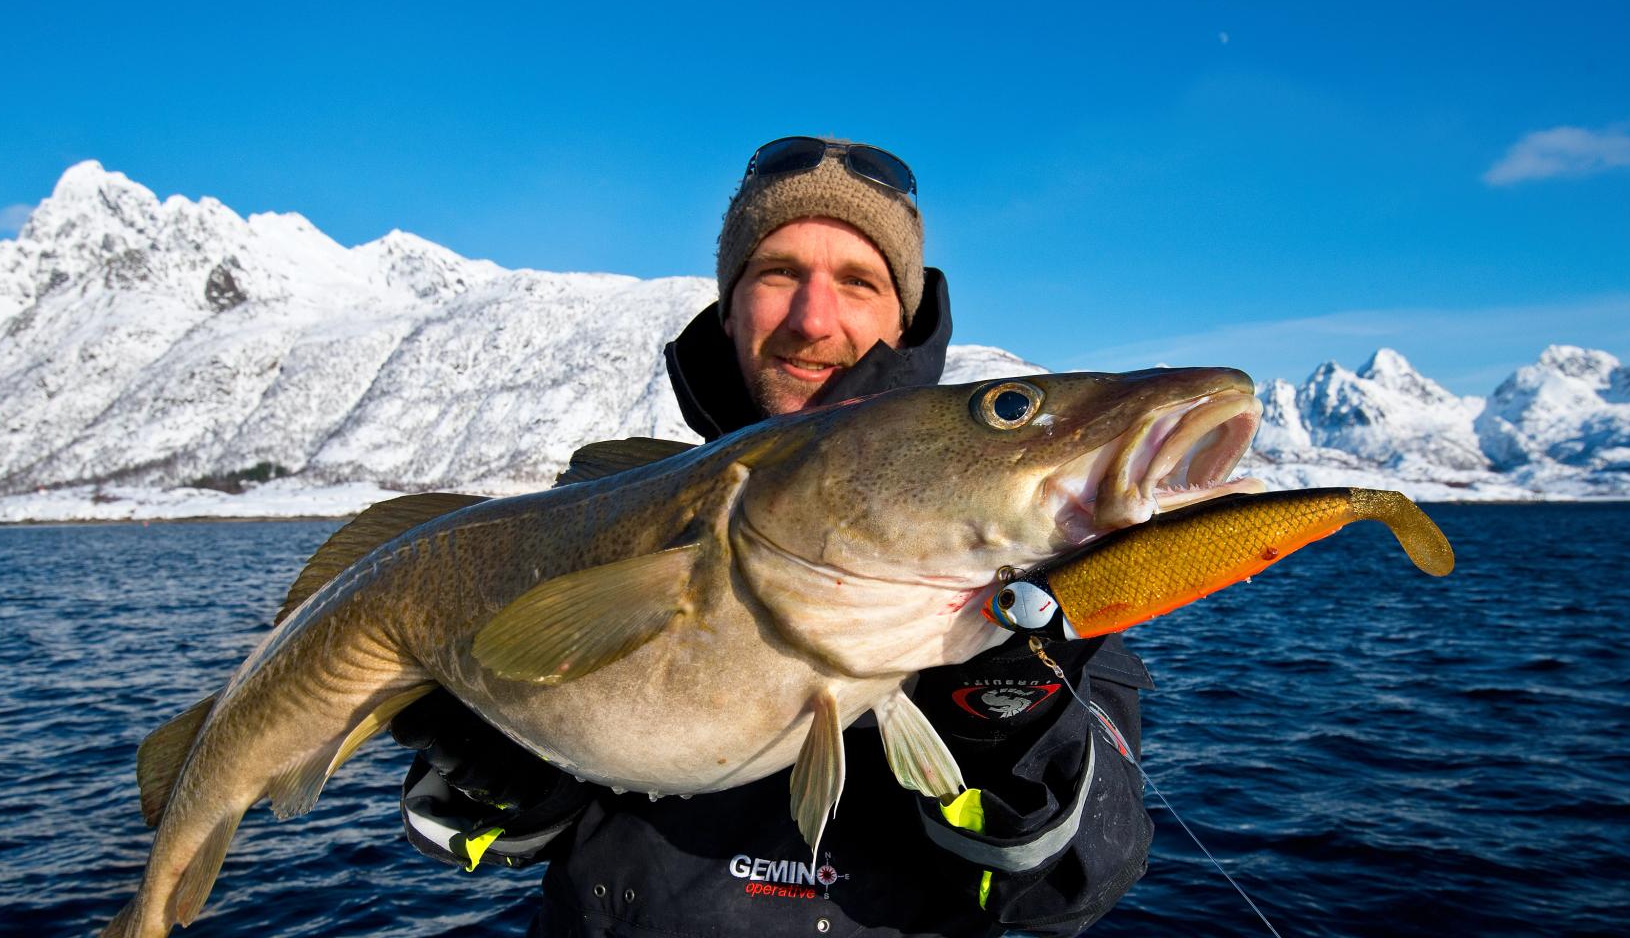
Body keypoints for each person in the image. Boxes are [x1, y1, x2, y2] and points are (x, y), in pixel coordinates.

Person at [390, 136, 1157, 937]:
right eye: (779, 273)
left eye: (858, 282)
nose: (812, 319)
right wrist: (509, 776)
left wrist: (1004, 730)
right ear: (729, 308)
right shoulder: (602, 521)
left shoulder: (1034, 569)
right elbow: (464, 837)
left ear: (905, 321)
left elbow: (1072, 887)